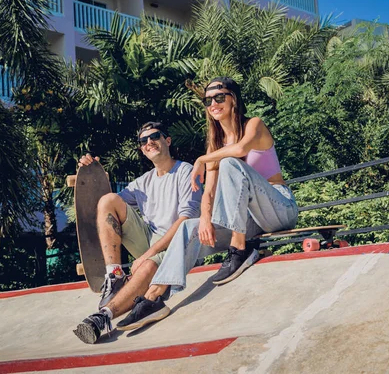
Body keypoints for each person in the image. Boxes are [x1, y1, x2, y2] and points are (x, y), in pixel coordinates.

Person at [115, 77, 299, 331]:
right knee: (187, 227)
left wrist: (202, 158)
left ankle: (239, 250)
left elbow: (240, 149)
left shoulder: (253, 125)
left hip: (279, 208)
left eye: (219, 97)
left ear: (233, 98)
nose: (213, 103)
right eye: (207, 100)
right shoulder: (216, 144)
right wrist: (203, 218)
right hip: (247, 221)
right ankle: (154, 297)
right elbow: (209, 192)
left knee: (230, 164)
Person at [73, 121, 202, 344]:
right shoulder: (143, 182)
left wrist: (145, 256)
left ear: (167, 140)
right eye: (144, 141)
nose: (149, 143)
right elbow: (104, 210)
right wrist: (91, 173)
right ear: (141, 149)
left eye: (155, 137)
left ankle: (102, 317)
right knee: (109, 200)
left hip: (177, 244)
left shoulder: (185, 171)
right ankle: (114, 276)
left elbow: (185, 220)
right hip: (149, 241)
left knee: (150, 264)